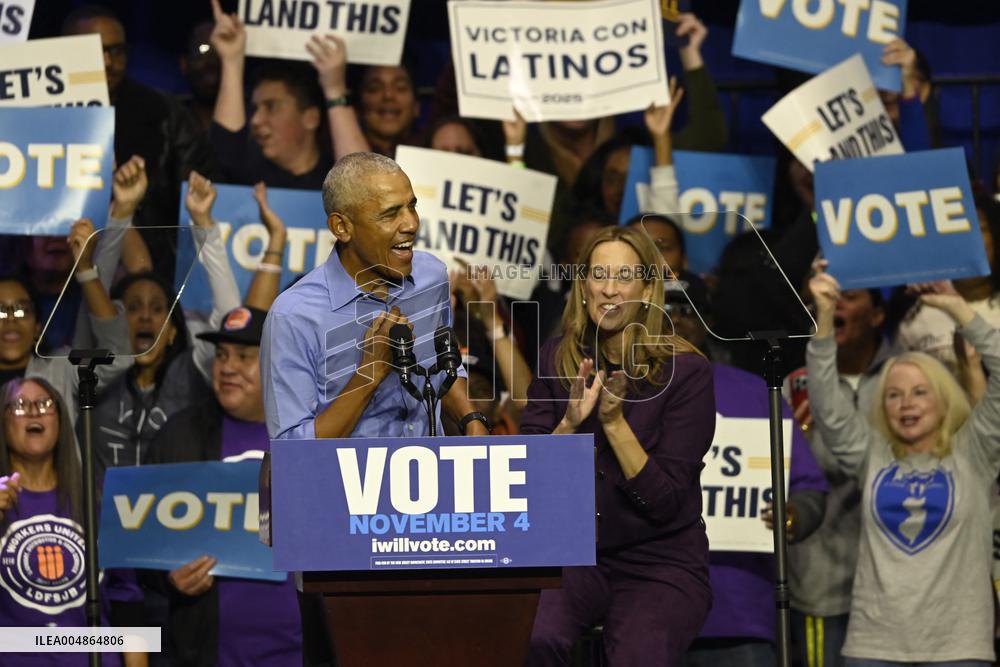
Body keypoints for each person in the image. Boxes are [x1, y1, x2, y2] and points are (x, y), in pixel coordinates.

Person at [521, 225, 714, 665]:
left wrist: (613, 422)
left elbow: (665, 501)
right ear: (582, 285)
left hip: (660, 561)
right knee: (532, 637)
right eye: (598, 274)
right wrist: (569, 424)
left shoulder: (687, 373)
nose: (609, 289)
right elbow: (525, 479)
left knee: (637, 657)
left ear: (647, 289)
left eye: (624, 276)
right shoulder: (556, 357)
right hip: (575, 555)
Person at [808, 265, 1000, 665]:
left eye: (918, 392)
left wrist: (956, 307)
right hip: (873, 648)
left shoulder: (976, 451)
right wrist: (824, 315)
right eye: (893, 394)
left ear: (944, 397)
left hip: (959, 649)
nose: (906, 403)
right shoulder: (872, 455)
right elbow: (827, 403)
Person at [262, 152, 489, 440]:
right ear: (342, 227)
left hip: (430, 475)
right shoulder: (294, 316)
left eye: (412, 206)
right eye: (391, 213)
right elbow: (292, 448)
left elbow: (444, 364)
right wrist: (370, 373)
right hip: (346, 483)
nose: (411, 224)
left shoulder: (431, 276)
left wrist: (471, 419)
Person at [149, 306, 306, 667]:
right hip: (205, 654)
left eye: (244, 356)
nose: (227, 367)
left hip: (301, 653)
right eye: (221, 355)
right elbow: (141, 548)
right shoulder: (179, 437)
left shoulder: (313, 434)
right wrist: (167, 577)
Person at [0, 377, 146, 667]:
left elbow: (127, 605)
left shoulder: (98, 501)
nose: (33, 412)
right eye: (18, 406)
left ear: (62, 420)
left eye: (44, 404)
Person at [62, 5, 214, 281]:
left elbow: (196, 201)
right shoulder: (35, 116)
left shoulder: (165, 114)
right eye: (94, 52)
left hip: (148, 278)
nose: (107, 61)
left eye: (116, 51)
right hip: (52, 275)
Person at [785, 287, 894, 667]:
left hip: (896, 588)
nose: (836, 304)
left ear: (879, 314)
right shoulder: (793, 386)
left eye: (850, 295)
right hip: (822, 584)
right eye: (828, 300)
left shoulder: (907, 378)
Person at [209, 0, 369, 188]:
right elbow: (225, 146)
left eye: (272, 107)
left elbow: (364, 184)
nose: (256, 120)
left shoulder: (335, 179)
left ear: (311, 118)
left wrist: (335, 89)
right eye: (255, 108)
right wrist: (231, 60)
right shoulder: (247, 172)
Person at [358, 63, 422, 157]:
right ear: (358, 107)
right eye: (375, 88)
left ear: (416, 106)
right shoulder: (335, 157)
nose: (388, 95)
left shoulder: (432, 153)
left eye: (400, 88)